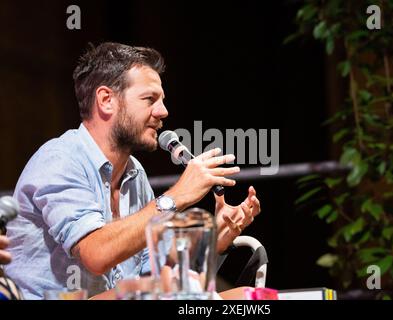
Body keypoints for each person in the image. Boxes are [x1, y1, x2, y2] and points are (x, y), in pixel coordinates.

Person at [5, 42, 261, 300]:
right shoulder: (60, 159)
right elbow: (97, 254)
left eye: (162, 100)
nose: (163, 112)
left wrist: (215, 237)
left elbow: (156, 268)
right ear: (106, 101)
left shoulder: (134, 173)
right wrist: (176, 197)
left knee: (249, 297)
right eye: (150, 99)